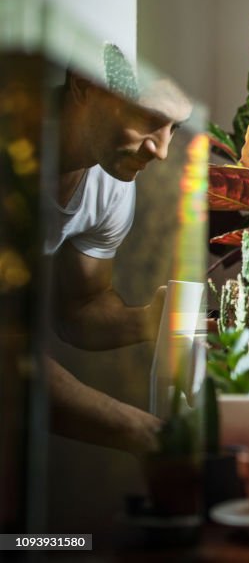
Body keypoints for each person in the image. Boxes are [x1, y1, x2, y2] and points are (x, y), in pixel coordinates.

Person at [46, 70, 192, 455]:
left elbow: (80, 308)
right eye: (149, 118)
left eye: (174, 128)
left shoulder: (110, 185)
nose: (161, 151)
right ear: (83, 84)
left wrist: (150, 320)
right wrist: (151, 436)